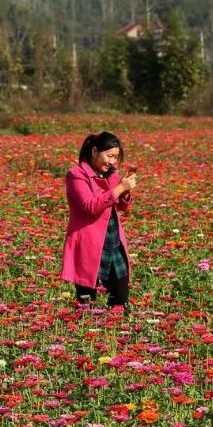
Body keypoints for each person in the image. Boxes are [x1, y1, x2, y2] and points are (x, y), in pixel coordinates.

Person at [61, 132, 138, 307]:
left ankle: (117, 330)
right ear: (95, 151)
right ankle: (84, 330)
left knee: (120, 298)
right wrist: (119, 189)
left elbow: (122, 206)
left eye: (116, 157)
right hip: (89, 244)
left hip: (113, 241)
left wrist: (125, 190)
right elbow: (90, 206)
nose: (112, 161)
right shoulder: (77, 175)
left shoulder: (112, 174)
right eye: (109, 156)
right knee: (87, 301)